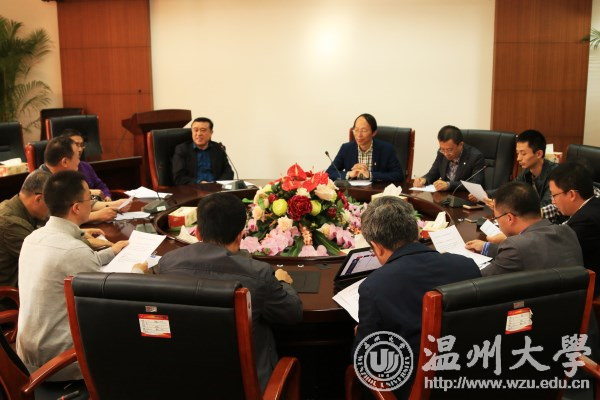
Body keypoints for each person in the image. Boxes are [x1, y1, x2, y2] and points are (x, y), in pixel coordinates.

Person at [155, 192, 302, 390]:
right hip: (246, 388)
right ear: (240, 235)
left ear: (197, 233)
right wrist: (282, 282)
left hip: (186, 382)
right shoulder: (258, 274)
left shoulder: (168, 263)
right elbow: (292, 313)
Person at [16, 170, 147, 383]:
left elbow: (70, 262)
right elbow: (109, 304)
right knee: (140, 324)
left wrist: (111, 252)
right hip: (61, 363)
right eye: (89, 199)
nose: (93, 203)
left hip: (27, 357)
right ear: (76, 207)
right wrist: (138, 272)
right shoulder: (74, 251)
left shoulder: (33, 238)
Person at [353, 196, 481, 398]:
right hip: (473, 379)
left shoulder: (374, 287)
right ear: (417, 232)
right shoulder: (466, 266)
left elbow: (368, 360)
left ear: (376, 246)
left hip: (416, 390)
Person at [465, 181, 583, 276]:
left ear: (509, 218)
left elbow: (478, 281)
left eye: (496, 217)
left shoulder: (515, 246)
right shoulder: (567, 231)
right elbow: (532, 254)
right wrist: (487, 248)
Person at [40, 136, 129, 222]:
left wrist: (114, 204)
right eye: (77, 157)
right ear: (65, 162)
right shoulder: (43, 183)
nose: (79, 162)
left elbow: (82, 202)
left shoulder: (63, 177)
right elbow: (55, 219)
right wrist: (97, 216)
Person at [0, 170, 50, 309]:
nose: (53, 209)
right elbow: (47, 257)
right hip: (8, 299)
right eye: (52, 203)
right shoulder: (10, 223)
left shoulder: (14, 207)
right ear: (38, 199)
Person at [548, 162, 600, 294]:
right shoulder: (594, 205)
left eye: (554, 195)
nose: (553, 201)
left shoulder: (586, 221)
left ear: (571, 194)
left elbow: (553, 248)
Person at [326, 113, 404, 182]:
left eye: (363, 130)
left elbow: (398, 175)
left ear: (374, 133)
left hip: (377, 192)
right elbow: (329, 173)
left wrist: (370, 175)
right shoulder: (346, 149)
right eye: (356, 130)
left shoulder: (386, 149)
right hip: (352, 191)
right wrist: (349, 174)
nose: (359, 135)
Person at [413, 125, 484, 191]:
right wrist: (424, 179)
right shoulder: (441, 153)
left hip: (463, 197)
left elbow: (475, 183)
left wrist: (449, 185)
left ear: (461, 144)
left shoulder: (475, 157)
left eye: (450, 150)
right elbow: (433, 173)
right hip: (445, 196)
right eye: (442, 149)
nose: (446, 154)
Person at [171, 117, 234, 185]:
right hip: (193, 188)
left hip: (216, 187)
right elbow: (179, 177)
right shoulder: (182, 149)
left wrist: (216, 184)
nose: (199, 134)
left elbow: (228, 173)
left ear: (211, 133)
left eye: (203, 130)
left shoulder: (218, 148)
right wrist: (199, 183)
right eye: (196, 130)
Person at [61, 128, 112, 200]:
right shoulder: (61, 169)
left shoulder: (86, 166)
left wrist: (107, 196)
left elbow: (100, 186)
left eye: (82, 145)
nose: (80, 149)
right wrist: (91, 192)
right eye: (76, 145)